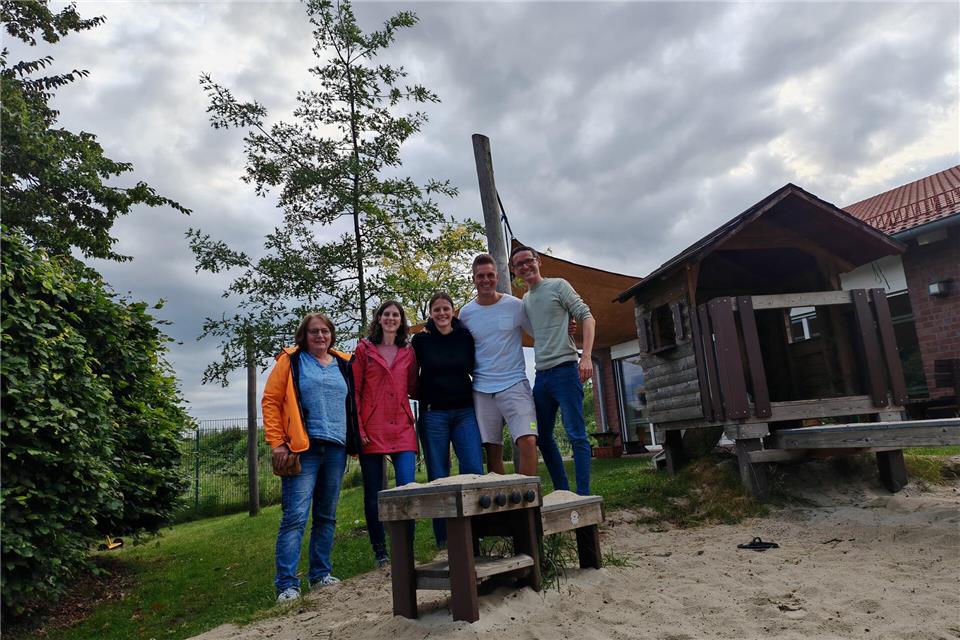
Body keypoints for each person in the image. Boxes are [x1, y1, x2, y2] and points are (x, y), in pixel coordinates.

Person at [262, 313, 360, 603]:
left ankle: (320, 575)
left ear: (331, 335)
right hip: (302, 449)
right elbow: (271, 400)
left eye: (325, 331)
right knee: (295, 517)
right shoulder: (291, 362)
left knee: (326, 516)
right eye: (314, 332)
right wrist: (277, 443)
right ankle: (287, 585)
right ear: (303, 336)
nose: (320, 336)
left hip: (336, 448)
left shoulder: (343, 363)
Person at [510, 245, 596, 496]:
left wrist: (587, 357)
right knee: (543, 437)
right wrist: (565, 322)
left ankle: (582, 495)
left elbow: (587, 316)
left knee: (576, 435)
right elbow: (541, 328)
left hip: (567, 370)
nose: (525, 267)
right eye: (519, 265)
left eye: (529, 261)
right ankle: (562, 491)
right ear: (515, 271)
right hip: (542, 376)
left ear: (538, 262)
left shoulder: (559, 285)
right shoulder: (525, 300)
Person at [410, 291, 485, 547]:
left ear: (453, 311)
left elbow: (475, 366)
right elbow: (411, 375)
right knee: (439, 476)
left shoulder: (465, 337)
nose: (442, 314)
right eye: (436, 310)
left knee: (474, 469)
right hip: (434, 415)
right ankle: (444, 537)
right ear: (430, 313)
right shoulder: (420, 340)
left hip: (465, 411)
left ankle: (476, 531)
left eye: (446, 309)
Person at [458, 254, 540, 476]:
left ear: (498, 276)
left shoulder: (515, 305)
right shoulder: (466, 313)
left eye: (490, 275)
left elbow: (540, 331)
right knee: (492, 449)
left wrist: (566, 324)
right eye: (481, 276)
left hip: (514, 383)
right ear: (473, 279)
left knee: (528, 441)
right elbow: (451, 338)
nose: (486, 280)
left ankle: (528, 505)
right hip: (482, 389)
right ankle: (504, 506)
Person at [353, 300, 418, 567]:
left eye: (396, 315)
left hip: (402, 426)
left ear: (401, 321)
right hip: (372, 428)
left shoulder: (408, 351)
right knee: (374, 493)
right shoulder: (363, 349)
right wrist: (359, 428)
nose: (391, 319)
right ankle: (380, 552)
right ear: (379, 319)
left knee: (407, 487)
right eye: (386, 314)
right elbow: (355, 390)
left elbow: (413, 385)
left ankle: (406, 548)